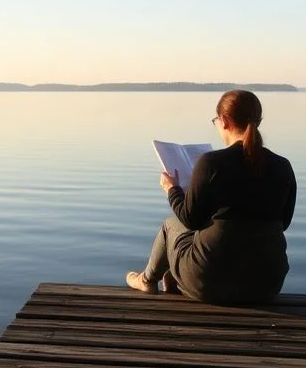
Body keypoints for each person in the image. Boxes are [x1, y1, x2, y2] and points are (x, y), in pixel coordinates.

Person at [126, 89, 296, 305]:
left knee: (171, 226)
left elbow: (190, 219)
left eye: (216, 120)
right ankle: (174, 279)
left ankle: (146, 280)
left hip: (209, 284)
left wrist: (173, 190)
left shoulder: (212, 162)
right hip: (266, 286)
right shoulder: (283, 166)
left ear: (224, 120)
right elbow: (284, 222)